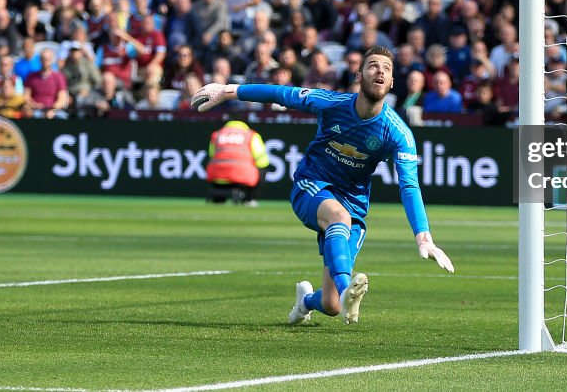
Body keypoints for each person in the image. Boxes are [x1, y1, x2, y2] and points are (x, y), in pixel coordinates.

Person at [191, 45, 454, 325]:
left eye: (386, 69)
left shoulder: (398, 133)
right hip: (311, 185)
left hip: (352, 203)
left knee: (331, 306)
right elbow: (282, 93)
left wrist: (423, 237)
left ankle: (305, 302)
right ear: (359, 75)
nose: (380, 71)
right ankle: (347, 291)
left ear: (390, 83)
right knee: (337, 221)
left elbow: (409, 186)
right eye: (373, 65)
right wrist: (229, 89)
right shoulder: (332, 103)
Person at [206, 120, 270, 206]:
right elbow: (261, 158)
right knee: (262, 170)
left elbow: (212, 154)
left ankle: (218, 200)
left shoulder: (217, 134)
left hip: (217, 175)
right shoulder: (251, 135)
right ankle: (249, 200)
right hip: (242, 176)